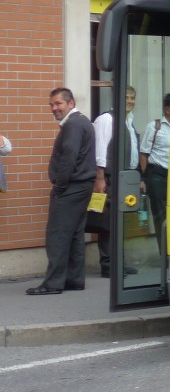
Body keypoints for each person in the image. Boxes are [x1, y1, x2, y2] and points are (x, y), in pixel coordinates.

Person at [28, 88, 96, 295]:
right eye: (51, 104)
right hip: (82, 186)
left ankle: (53, 283)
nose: (54, 108)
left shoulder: (73, 125)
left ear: (71, 103)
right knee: (75, 234)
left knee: (58, 235)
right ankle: (74, 280)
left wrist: (59, 186)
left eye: (58, 104)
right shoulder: (82, 122)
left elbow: (69, 157)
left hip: (71, 187)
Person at [93, 86, 138, 278]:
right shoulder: (106, 119)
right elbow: (100, 150)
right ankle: (108, 265)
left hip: (126, 178)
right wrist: (100, 178)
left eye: (132, 98)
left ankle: (119, 262)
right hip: (110, 178)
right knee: (108, 223)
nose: (129, 101)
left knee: (122, 223)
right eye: (126, 97)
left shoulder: (129, 121)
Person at [140, 93, 170, 242]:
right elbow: (143, 154)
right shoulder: (154, 127)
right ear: (167, 109)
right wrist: (144, 178)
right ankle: (164, 254)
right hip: (157, 175)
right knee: (160, 214)